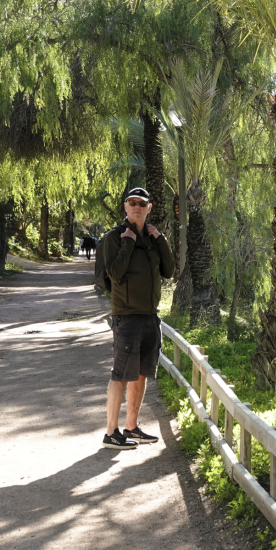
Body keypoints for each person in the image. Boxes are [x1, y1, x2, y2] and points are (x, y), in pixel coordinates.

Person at [99, 187, 174, 449]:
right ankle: (111, 433)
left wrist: (161, 239)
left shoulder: (153, 238)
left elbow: (169, 271)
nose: (137, 207)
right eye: (132, 203)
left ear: (149, 208)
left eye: (142, 203)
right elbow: (114, 273)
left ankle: (131, 427)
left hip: (150, 316)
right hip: (127, 316)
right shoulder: (115, 236)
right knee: (120, 375)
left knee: (141, 374)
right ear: (125, 206)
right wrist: (129, 242)